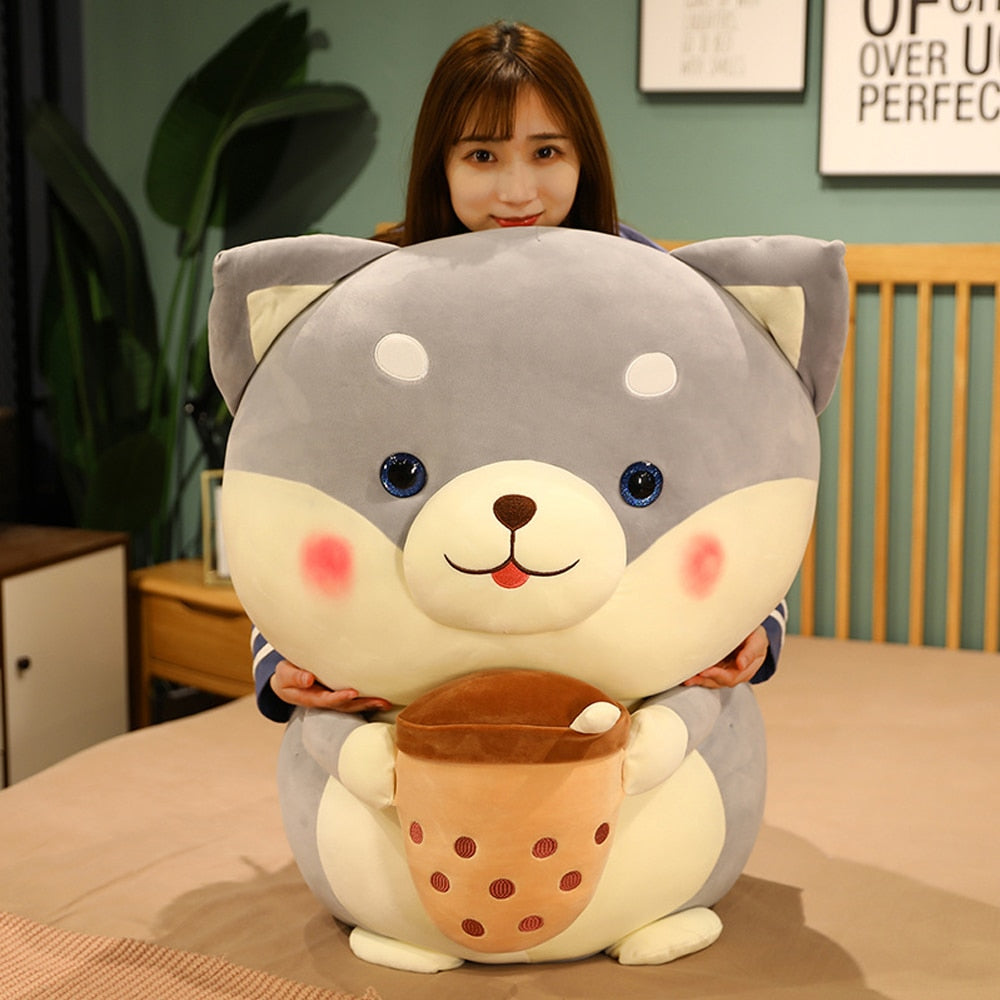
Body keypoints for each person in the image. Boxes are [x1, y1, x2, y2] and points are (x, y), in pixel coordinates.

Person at [250, 21, 788, 724]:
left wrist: (754, 617)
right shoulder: (373, 296)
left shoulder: (651, 292)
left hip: (605, 646)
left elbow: (729, 461)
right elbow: (303, 469)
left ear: (583, 158)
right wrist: (281, 646)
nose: (517, 190)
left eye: (546, 152)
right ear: (441, 164)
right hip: (422, 644)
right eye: (482, 154)